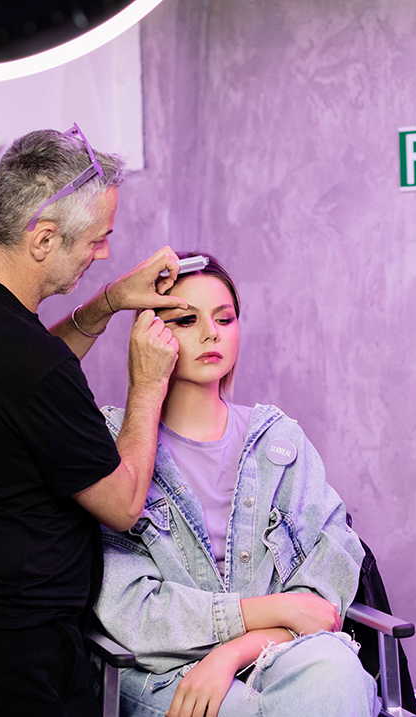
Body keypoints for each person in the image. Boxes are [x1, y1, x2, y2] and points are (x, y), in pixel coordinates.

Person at [0, 126, 186, 716]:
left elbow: (21, 383)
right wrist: (147, 385)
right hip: (16, 664)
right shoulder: (34, 366)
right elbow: (124, 503)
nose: (102, 254)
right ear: (44, 238)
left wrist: (106, 302)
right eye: (97, 241)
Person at [95, 254, 378, 717]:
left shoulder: (280, 442)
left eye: (224, 319)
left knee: (336, 669)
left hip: (278, 653)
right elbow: (134, 614)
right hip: (163, 672)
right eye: (187, 320)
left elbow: (323, 594)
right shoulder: (110, 449)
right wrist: (269, 611)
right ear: (149, 337)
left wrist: (231, 653)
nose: (212, 333)